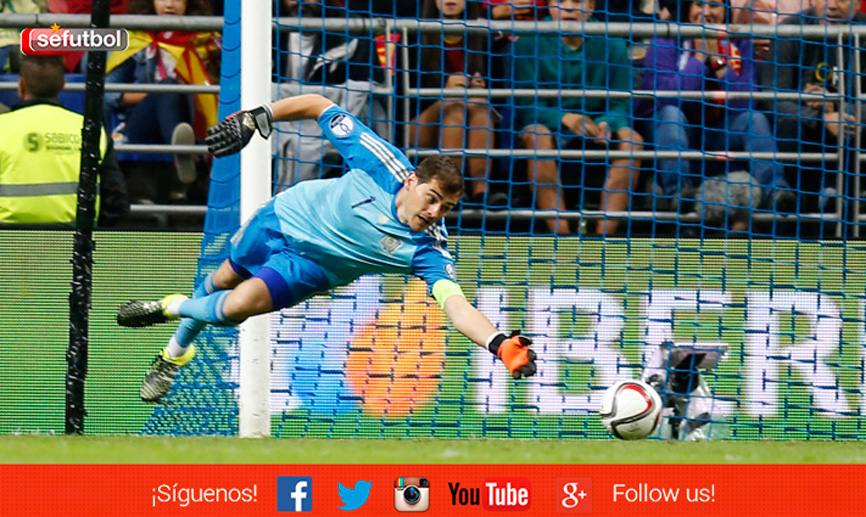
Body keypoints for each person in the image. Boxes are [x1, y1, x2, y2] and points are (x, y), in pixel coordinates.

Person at [116, 93, 538, 403]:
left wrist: (498, 343)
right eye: (431, 198)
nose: (434, 212)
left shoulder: (428, 249)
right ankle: (172, 356)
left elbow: (456, 304)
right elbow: (319, 105)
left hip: (313, 267)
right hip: (284, 217)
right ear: (411, 180)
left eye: (446, 208)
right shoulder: (381, 162)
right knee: (222, 279)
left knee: (231, 309)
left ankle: (170, 309)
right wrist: (257, 117)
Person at [638, 0, 795, 230]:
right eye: (699, 4)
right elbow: (665, 98)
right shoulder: (666, 37)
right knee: (671, 113)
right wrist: (699, 59)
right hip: (670, 132)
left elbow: (748, 101)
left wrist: (719, 63)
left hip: (717, 132)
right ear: (687, 9)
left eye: (714, 5)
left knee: (754, 119)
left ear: (725, 11)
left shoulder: (739, 41)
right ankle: (679, 191)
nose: (706, 12)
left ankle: (776, 191)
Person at [512, 0, 644, 235]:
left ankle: (604, 238)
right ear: (550, 7)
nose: (570, 8)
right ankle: (561, 237)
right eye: (561, 1)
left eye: (578, 1)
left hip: (597, 124)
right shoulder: (529, 41)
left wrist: (607, 123)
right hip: (550, 125)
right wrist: (566, 118)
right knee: (537, 135)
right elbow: (526, 105)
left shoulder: (612, 42)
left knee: (632, 139)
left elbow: (621, 103)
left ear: (591, 6)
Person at [760, 0, 866, 212]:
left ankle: (854, 205)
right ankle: (802, 212)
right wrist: (820, 118)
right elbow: (772, 98)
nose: (832, 6)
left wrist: (840, 110)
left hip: (851, 125)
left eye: (842, 0)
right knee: (788, 129)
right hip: (805, 125)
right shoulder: (791, 29)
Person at [104, 0, 220, 190]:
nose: (169, 5)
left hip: (194, 118)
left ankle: (185, 159)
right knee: (168, 89)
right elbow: (110, 93)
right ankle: (185, 157)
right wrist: (157, 93)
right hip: (141, 123)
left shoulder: (207, 39)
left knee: (183, 94)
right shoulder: (135, 38)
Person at [0, 55, 128, 226]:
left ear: (21, 85)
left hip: (8, 242)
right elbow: (116, 203)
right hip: (75, 242)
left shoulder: (3, 127)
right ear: (62, 85)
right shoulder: (92, 130)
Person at [408, 0, 506, 207]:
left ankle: (482, 191)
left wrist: (482, 89)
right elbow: (404, 101)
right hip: (421, 123)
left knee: (476, 102)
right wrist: (444, 92)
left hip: (473, 120)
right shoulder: (414, 36)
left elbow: (502, 98)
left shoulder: (485, 37)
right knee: (455, 103)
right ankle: (449, 187)